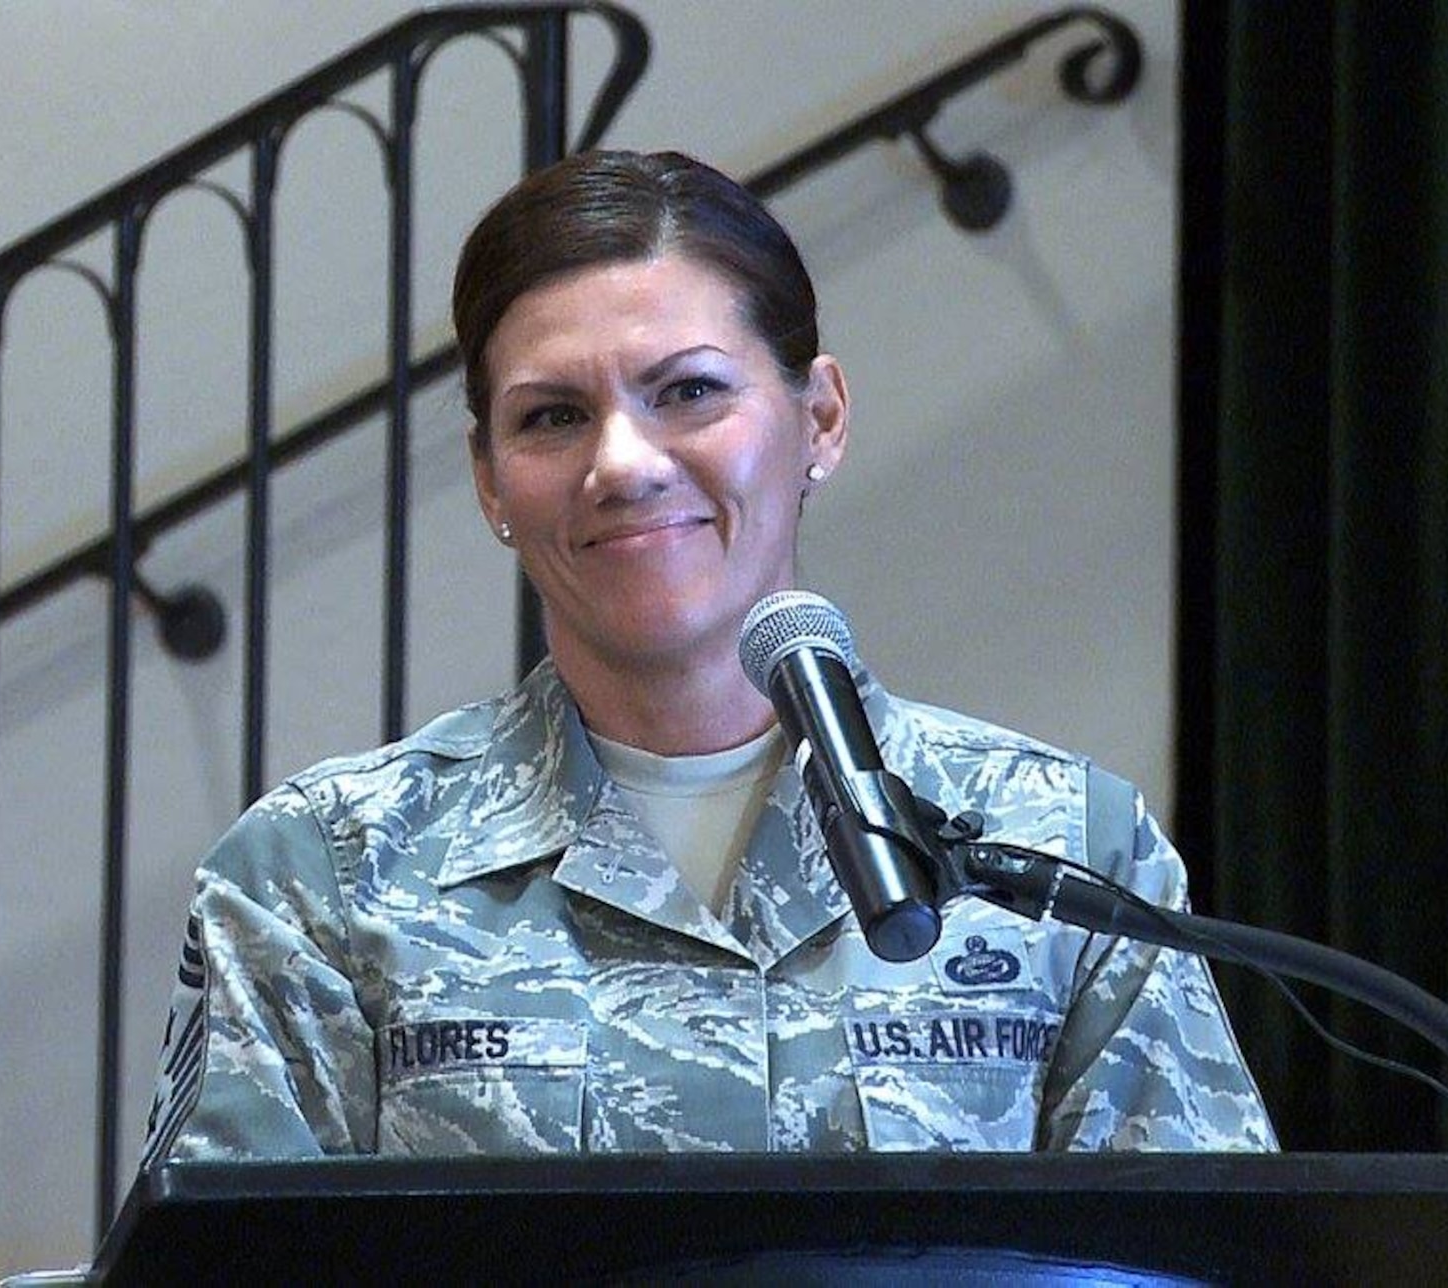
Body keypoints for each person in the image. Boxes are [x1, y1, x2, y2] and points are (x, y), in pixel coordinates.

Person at [140, 149, 1275, 1163]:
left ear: (818, 418)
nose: (622, 464)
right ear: (489, 476)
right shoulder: (324, 873)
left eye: (688, 391)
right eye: (549, 418)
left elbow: (1197, 1255)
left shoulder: (1062, 851)